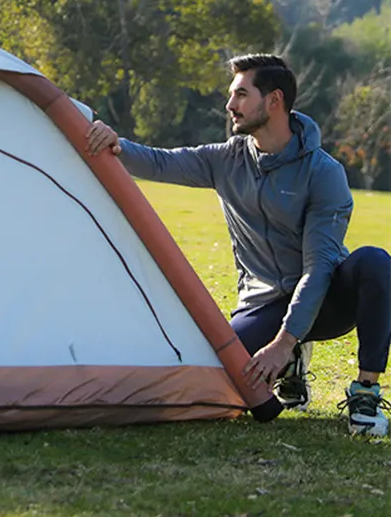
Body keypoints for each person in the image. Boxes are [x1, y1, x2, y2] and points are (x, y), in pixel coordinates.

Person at [85, 54, 390, 437]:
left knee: (375, 263)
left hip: (327, 300)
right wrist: (117, 145)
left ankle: (365, 391)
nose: (230, 105)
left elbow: (319, 267)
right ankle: (291, 363)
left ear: (274, 101)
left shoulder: (323, 173)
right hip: (264, 303)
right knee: (216, 379)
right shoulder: (226, 159)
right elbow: (161, 163)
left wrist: (282, 341)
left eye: (241, 94)